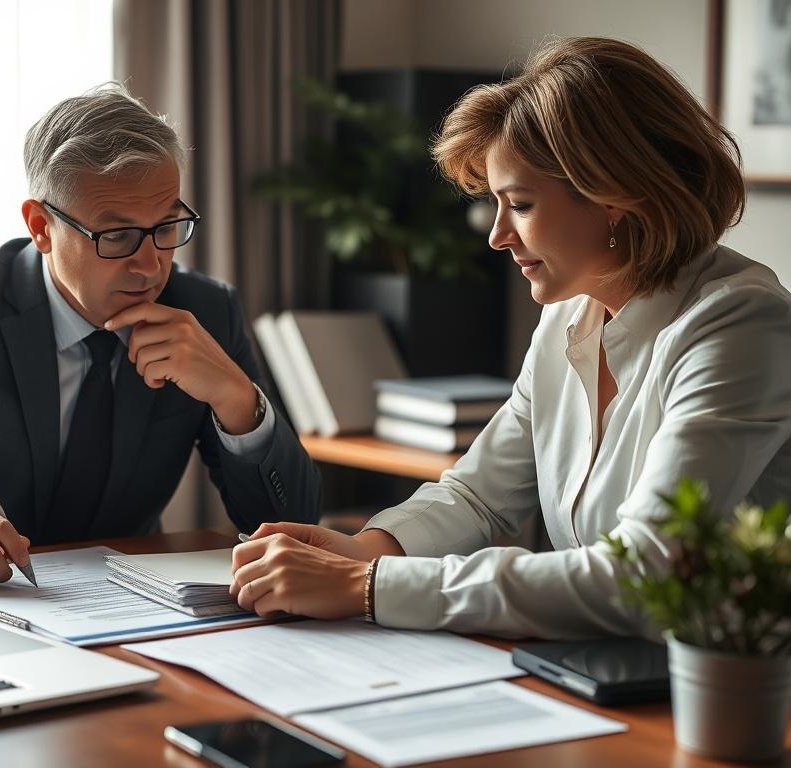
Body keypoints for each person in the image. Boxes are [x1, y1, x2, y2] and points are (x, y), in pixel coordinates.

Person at [230, 37, 791, 639]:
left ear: (613, 197)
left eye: (519, 204)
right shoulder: (570, 317)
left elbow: (647, 571)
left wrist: (365, 588)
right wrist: (363, 550)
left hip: (726, 699)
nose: (498, 236)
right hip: (609, 674)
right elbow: (479, 495)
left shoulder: (739, 327)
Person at [0, 83, 321, 587]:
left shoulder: (207, 310)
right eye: (118, 236)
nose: (150, 266)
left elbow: (297, 525)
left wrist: (236, 400)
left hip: (139, 609)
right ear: (41, 227)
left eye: (167, 226)